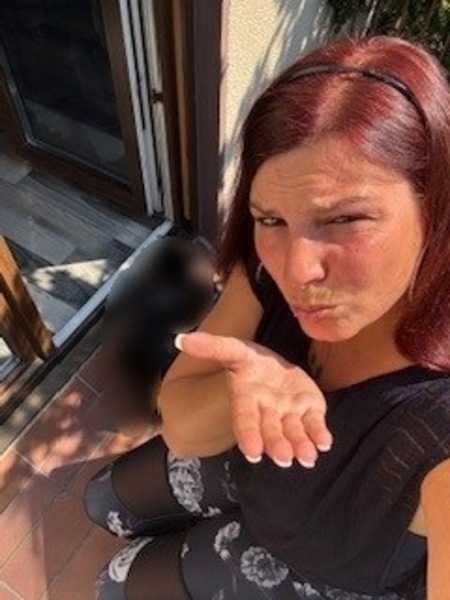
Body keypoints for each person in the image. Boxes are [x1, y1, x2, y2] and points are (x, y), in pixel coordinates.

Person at [84, 35, 450, 599]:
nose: (296, 270)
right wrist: (243, 381)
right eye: (270, 219)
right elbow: (180, 426)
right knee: (102, 499)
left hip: (314, 563)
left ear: (435, 206)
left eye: (346, 219)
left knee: (114, 586)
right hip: (247, 470)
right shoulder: (266, 266)